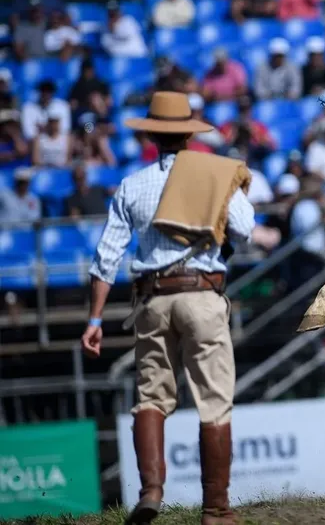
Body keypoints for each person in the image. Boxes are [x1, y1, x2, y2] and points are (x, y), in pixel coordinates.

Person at [80, 91, 254, 525]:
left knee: (151, 396)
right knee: (214, 402)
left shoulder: (131, 185)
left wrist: (95, 319)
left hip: (152, 300)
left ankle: (151, 491)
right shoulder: (215, 174)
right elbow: (245, 228)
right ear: (189, 135)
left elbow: (106, 258)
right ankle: (215, 509)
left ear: (152, 136)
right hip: (202, 295)